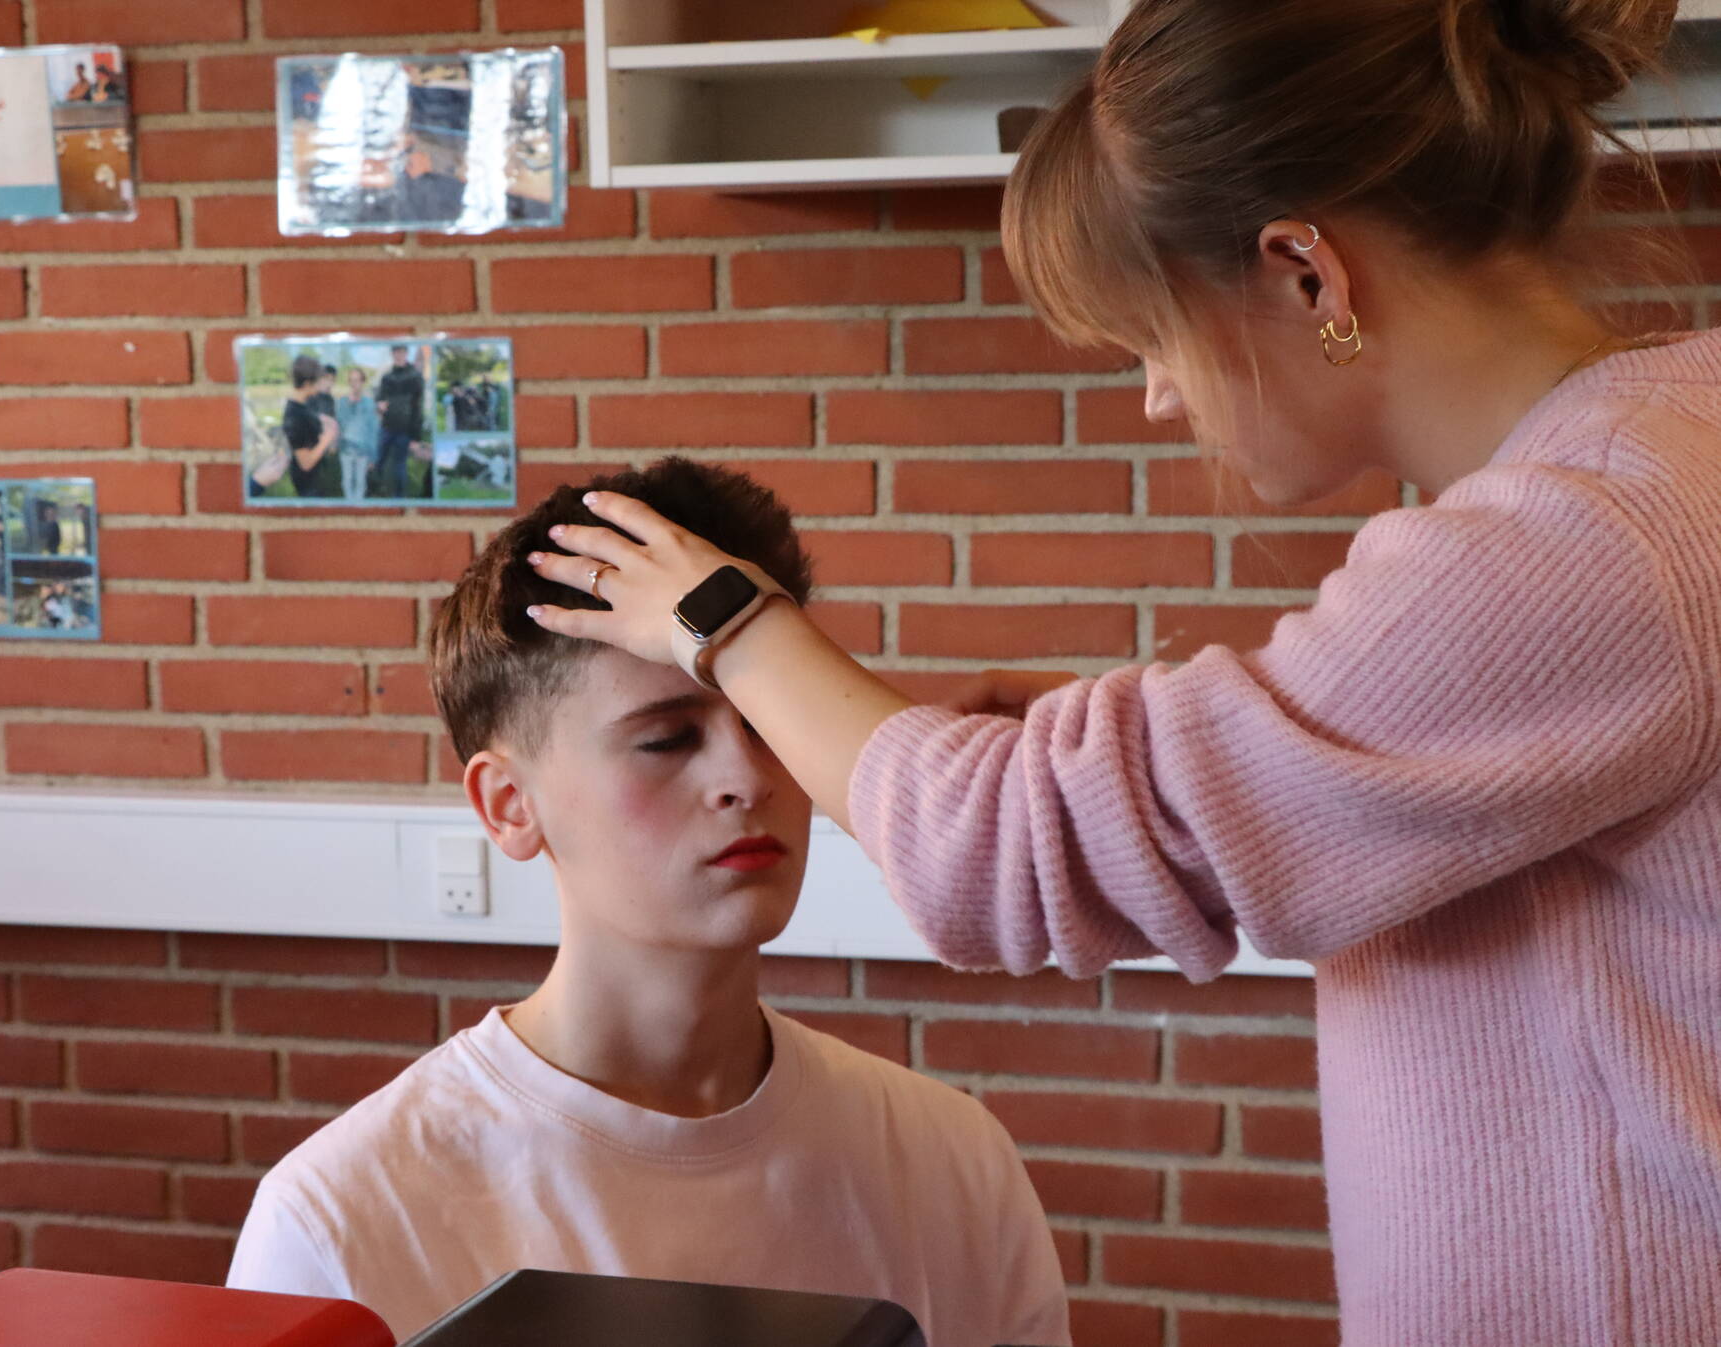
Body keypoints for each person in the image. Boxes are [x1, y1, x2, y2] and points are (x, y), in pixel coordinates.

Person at [523, 1, 1721, 1344]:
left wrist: (724, 622)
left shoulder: (1581, 537)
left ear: (1306, 273)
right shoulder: (1673, 439)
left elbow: (1003, 850)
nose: (1159, 395)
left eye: (1154, 334)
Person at [226, 460, 1070, 1347]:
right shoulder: (340, 1223)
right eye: (667, 739)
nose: (746, 777)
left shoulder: (953, 1159)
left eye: (766, 720)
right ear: (510, 805)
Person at [281, 353, 343, 498]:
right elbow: (306, 463)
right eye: (318, 380)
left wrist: (322, 419)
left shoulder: (301, 406)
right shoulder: (294, 416)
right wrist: (326, 439)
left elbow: (309, 421)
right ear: (308, 384)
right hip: (307, 484)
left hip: (316, 476)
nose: (321, 384)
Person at [373, 344, 425, 498]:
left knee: (399, 465)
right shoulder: (387, 377)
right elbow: (379, 397)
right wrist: (379, 403)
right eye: (396, 352)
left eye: (401, 352)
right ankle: (376, 490)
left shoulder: (415, 376)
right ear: (392, 354)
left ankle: (399, 498)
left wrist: (416, 438)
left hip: (405, 429)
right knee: (378, 460)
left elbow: (418, 408)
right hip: (386, 427)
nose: (398, 355)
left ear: (406, 353)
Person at [336, 365, 379, 496]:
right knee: (346, 481)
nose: (354, 384)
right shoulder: (342, 402)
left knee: (361, 482)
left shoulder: (369, 403)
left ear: (363, 382)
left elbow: (373, 430)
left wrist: (373, 456)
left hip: (363, 451)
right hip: (346, 450)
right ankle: (349, 506)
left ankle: (359, 506)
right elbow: (339, 426)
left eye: (357, 380)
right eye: (351, 380)